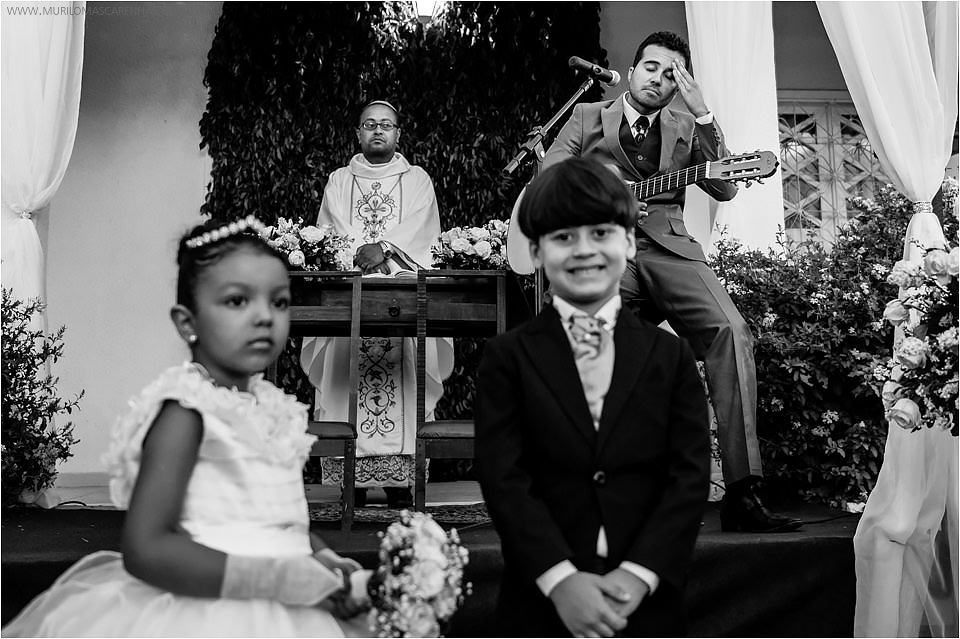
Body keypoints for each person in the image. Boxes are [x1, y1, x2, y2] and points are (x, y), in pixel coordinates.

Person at [3, 217, 371, 637]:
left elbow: (273, 522)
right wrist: (277, 579)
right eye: (237, 301)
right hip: (213, 613)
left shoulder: (272, 408)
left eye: (279, 302)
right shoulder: (186, 412)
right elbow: (147, 548)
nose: (264, 317)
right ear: (186, 322)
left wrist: (318, 556)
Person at [541, 31, 801, 533]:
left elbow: (724, 184)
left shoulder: (686, 125)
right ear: (633, 68)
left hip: (669, 249)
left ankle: (744, 494)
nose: (658, 80)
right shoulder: (586, 117)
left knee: (731, 331)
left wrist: (704, 116)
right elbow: (550, 178)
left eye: (671, 75)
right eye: (652, 68)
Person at [475, 158, 711, 637]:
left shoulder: (670, 356)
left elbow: (688, 476)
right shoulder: (507, 357)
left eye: (600, 233)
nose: (584, 250)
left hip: (647, 605)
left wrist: (638, 575)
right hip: (539, 605)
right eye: (563, 238)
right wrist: (560, 580)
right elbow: (504, 477)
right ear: (538, 252)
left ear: (628, 241)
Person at [300, 100, 453, 508]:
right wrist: (362, 252)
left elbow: (422, 230)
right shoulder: (338, 181)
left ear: (398, 134)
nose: (378, 131)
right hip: (352, 289)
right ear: (358, 133)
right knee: (344, 374)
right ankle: (352, 478)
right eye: (370, 125)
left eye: (386, 125)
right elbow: (329, 231)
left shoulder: (417, 180)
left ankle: (401, 481)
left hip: (400, 289)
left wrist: (383, 248)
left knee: (404, 375)